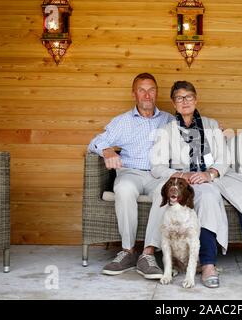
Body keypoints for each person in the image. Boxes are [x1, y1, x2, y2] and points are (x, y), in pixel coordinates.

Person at [148, 80, 242, 288]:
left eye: (189, 97)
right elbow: (157, 167)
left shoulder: (211, 124)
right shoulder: (166, 130)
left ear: (196, 99)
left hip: (217, 176)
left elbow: (224, 159)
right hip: (190, 181)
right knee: (208, 197)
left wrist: (210, 173)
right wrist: (182, 174)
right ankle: (208, 264)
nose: (184, 101)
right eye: (179, 98)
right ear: (173, 103)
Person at [88, 73, 174, 279]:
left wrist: (217, 132)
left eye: (151, 90)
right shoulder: (122, 121)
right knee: (123, 188)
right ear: (134, 93)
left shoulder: (169, 120)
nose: (147, 95)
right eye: (142, 90)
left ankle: (148, 254)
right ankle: (127, 251)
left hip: (158, 175)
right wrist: (107, 151)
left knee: (166, 190)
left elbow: (193, 135)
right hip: (130, 173)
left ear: (157, 93)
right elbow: (94, 142)